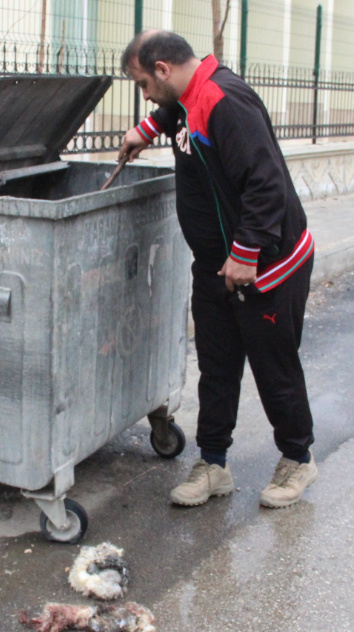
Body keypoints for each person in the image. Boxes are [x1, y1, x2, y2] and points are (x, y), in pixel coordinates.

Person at [118, 30, 318, 509]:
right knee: (216, 366)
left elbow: (266, 183)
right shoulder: (188, 95)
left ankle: (297, 459)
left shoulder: (225, 102)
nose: (146, 95)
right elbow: (174, 112)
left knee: (275, 369)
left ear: (163, 70)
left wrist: (246, 252)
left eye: (144, 83)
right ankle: (213, 465)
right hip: (214, 268)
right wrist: (145, 131)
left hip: (267, 268)